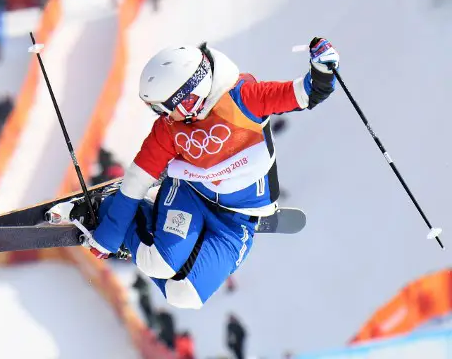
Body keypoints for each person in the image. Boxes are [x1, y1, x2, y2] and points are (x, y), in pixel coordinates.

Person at [71, 37, 339, 309]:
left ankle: (154, 236)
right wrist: (110, 235)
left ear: (188, 99)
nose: (161, 115)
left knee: (184, 296)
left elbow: (306, 93)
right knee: (158, 263)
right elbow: (138, 178)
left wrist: (323, 69)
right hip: (191, 196)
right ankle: (122, 218)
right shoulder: (169, 128)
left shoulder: (243, 99)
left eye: (162, 107)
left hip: (235, 222)